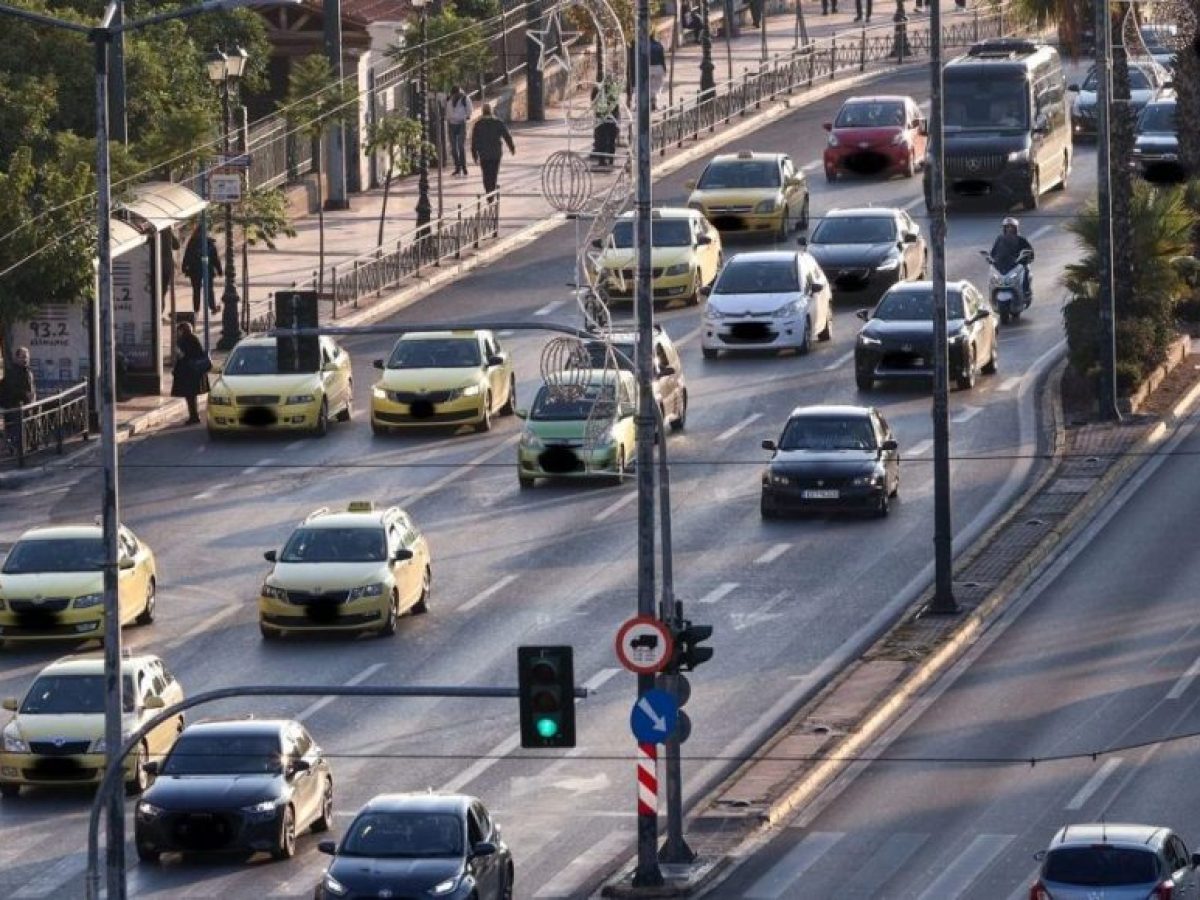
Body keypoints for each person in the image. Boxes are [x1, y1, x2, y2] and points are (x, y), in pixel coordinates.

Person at [470, 103, 516, 200]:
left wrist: (474, 154)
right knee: (494, 174)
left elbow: (474, 141)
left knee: (486, 174)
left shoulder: (478, 124)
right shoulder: (498, 122)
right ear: (491, 111)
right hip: (495, 153)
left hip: (484, 154)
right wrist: (512, 148)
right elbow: (507, 136)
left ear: (482, 112)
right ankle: (492, 190)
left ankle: (488, 193)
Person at [170, 322, 210, 424]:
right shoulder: (194, 338)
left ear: (182, 330)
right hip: (195, 372)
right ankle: (194, 416)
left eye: (179, 330)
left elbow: (182, 356)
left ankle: (194, 417)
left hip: (187, 372)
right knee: (192, 396)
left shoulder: (183, 341)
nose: (178, 332)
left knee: (190, 396)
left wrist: (177, 352)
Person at [0, 346, 36, 452]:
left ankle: (28, 446)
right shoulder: (12, 373)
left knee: (27, 428)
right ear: (17, 358)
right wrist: (25, 395)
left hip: (28, 406)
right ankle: (17, 450)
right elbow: (12, 389)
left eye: (27, 357)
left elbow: (31, 386)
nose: (25, 359)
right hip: (15, 407)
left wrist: (32, 397)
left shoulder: (28, 371)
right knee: (16, 430)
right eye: (23, 357)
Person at [990, 217, 1035, 299]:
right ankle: (992, 292)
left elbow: (1030, 253)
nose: (1009, 229)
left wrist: (1025, 258)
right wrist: (992, 260)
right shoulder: (1000, 239)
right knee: (992, 274)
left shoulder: (1021, 239)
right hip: (1004, 265)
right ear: (1004, 228)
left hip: (1018, 264)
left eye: (1011, 227)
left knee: (1026, 270)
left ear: (1016, 228)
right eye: (1007, 227)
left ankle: (1026, 291)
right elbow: (993, 252)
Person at [181, 227, 222, 315]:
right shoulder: (209, 242)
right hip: (207, 269)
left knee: (196, 290)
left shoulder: (192, 242)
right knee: (209, 289)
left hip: (194, 270)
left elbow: (187, 255)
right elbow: (215, 257)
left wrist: (184, 267)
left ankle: (196, 310)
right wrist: (219, 270)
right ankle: (212, 307)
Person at [445, 86, 474, 176]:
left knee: (461, 146)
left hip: (462, 123)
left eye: (455, 94)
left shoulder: (465, 99)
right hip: (451, 124)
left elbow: (470, 110)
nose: (454, 96)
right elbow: (446, 109)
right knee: (453, 147)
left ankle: (464, 167)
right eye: (453, 95)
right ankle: (457, 167)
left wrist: (466, 116)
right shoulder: (449, 99)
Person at [648, 36, 667, 110]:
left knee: (648, 86)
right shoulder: (659, 45)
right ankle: (654, 102)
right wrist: (664, 69)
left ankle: (650, 102)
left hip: (648, 67)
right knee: (657, 87)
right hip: (658, 67)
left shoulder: (643, 46)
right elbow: (662, 58)